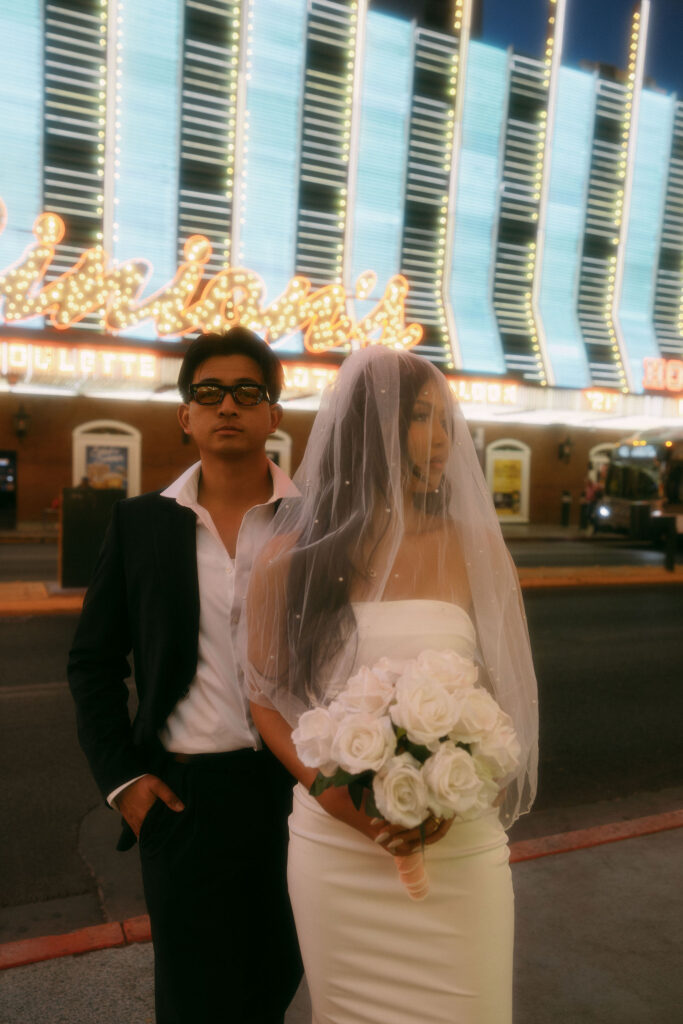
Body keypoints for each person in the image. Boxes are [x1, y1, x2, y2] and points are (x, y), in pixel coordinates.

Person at [245, 347, 538, 1024]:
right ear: (367, 430)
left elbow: (502, 694)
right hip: (338, 848)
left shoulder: (473, 545)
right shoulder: (290, 558)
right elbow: (265, 698)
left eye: (447, 422)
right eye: (421, 419)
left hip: (456, 840)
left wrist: (467, 779)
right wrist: (340, 800)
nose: (443, 441)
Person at [67, 327, 302, 1024]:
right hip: (183, 801)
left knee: (275, 982)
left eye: (245, 392)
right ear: (185, 415)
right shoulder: (140, 523)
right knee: (195, 1002)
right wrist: (124, 782)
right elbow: (93, 662)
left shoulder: (315, 522)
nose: (226, 405)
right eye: (207, 392)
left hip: (295, 793)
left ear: (272, 414)